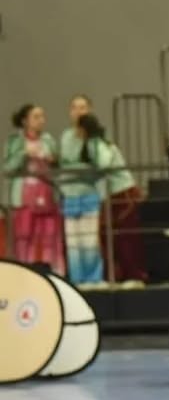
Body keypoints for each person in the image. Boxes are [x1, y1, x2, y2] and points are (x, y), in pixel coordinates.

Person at [79, 114, 147, 286]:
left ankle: (134, 275)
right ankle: (116, 275)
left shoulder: (98, 144)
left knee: (124, 237)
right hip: (108, 196)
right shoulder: (93, 145)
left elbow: (104, 163)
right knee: (109, 236)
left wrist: (89, 171)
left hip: (121, 193)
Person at [4, 104, 64, 276]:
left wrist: (52, 159)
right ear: (25, 121)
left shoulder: (48, 140)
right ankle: (23, 272)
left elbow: (58, 164)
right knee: (23, 235)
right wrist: (24, 153)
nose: (40, 121)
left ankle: (52, 272)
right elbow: (8, 167)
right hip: (24, 194)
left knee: (48, 234)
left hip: (46, 191)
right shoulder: (14, 141)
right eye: (36, 117)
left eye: (42, 116)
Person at [58, 96, 104, 286]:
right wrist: (79, 168)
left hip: (89, 194)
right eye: (75, 108)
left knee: (90, 241)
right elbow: (65, 163)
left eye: (83, 107)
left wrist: (79, 168)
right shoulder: (66, 136)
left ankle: (93, 278)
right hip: (70, 194)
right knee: (74, 243)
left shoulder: (96, 138)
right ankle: (77, 280)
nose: (79, 111)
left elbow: (97, 165)